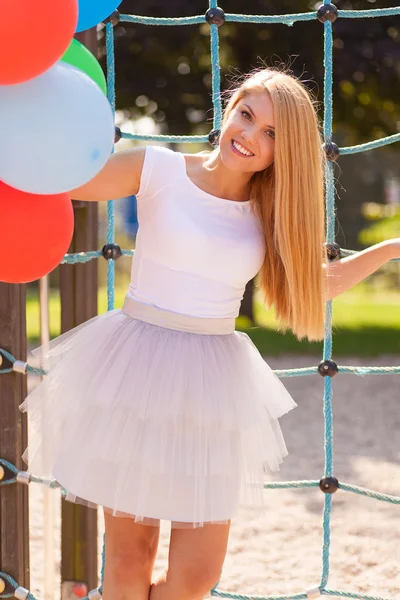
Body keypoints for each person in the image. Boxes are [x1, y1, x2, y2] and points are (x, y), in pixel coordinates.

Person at [20, 68, 399, 600]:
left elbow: (318, 282)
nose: (250, 136)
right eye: (247, 115)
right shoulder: (156, 169)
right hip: (136, 372)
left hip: (212, 387)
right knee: (132, 554)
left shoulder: (269, 212)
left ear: (280, 153)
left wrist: (392, 248)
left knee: (197, 574)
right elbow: (65, 183)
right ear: (228, 108)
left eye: (271, 134)